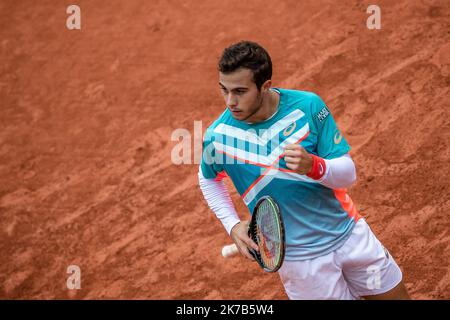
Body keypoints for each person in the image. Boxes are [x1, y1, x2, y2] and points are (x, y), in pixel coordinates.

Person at [198, 40, 410, 300]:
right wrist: (232, 225)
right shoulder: (218, 137)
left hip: (350, 236)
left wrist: (314, 166)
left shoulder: (307, 107)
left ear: (264, 86)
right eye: (224, 90)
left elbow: (348, 174)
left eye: (240, 91)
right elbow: (208, 179)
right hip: (301, 264)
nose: (230, 101)